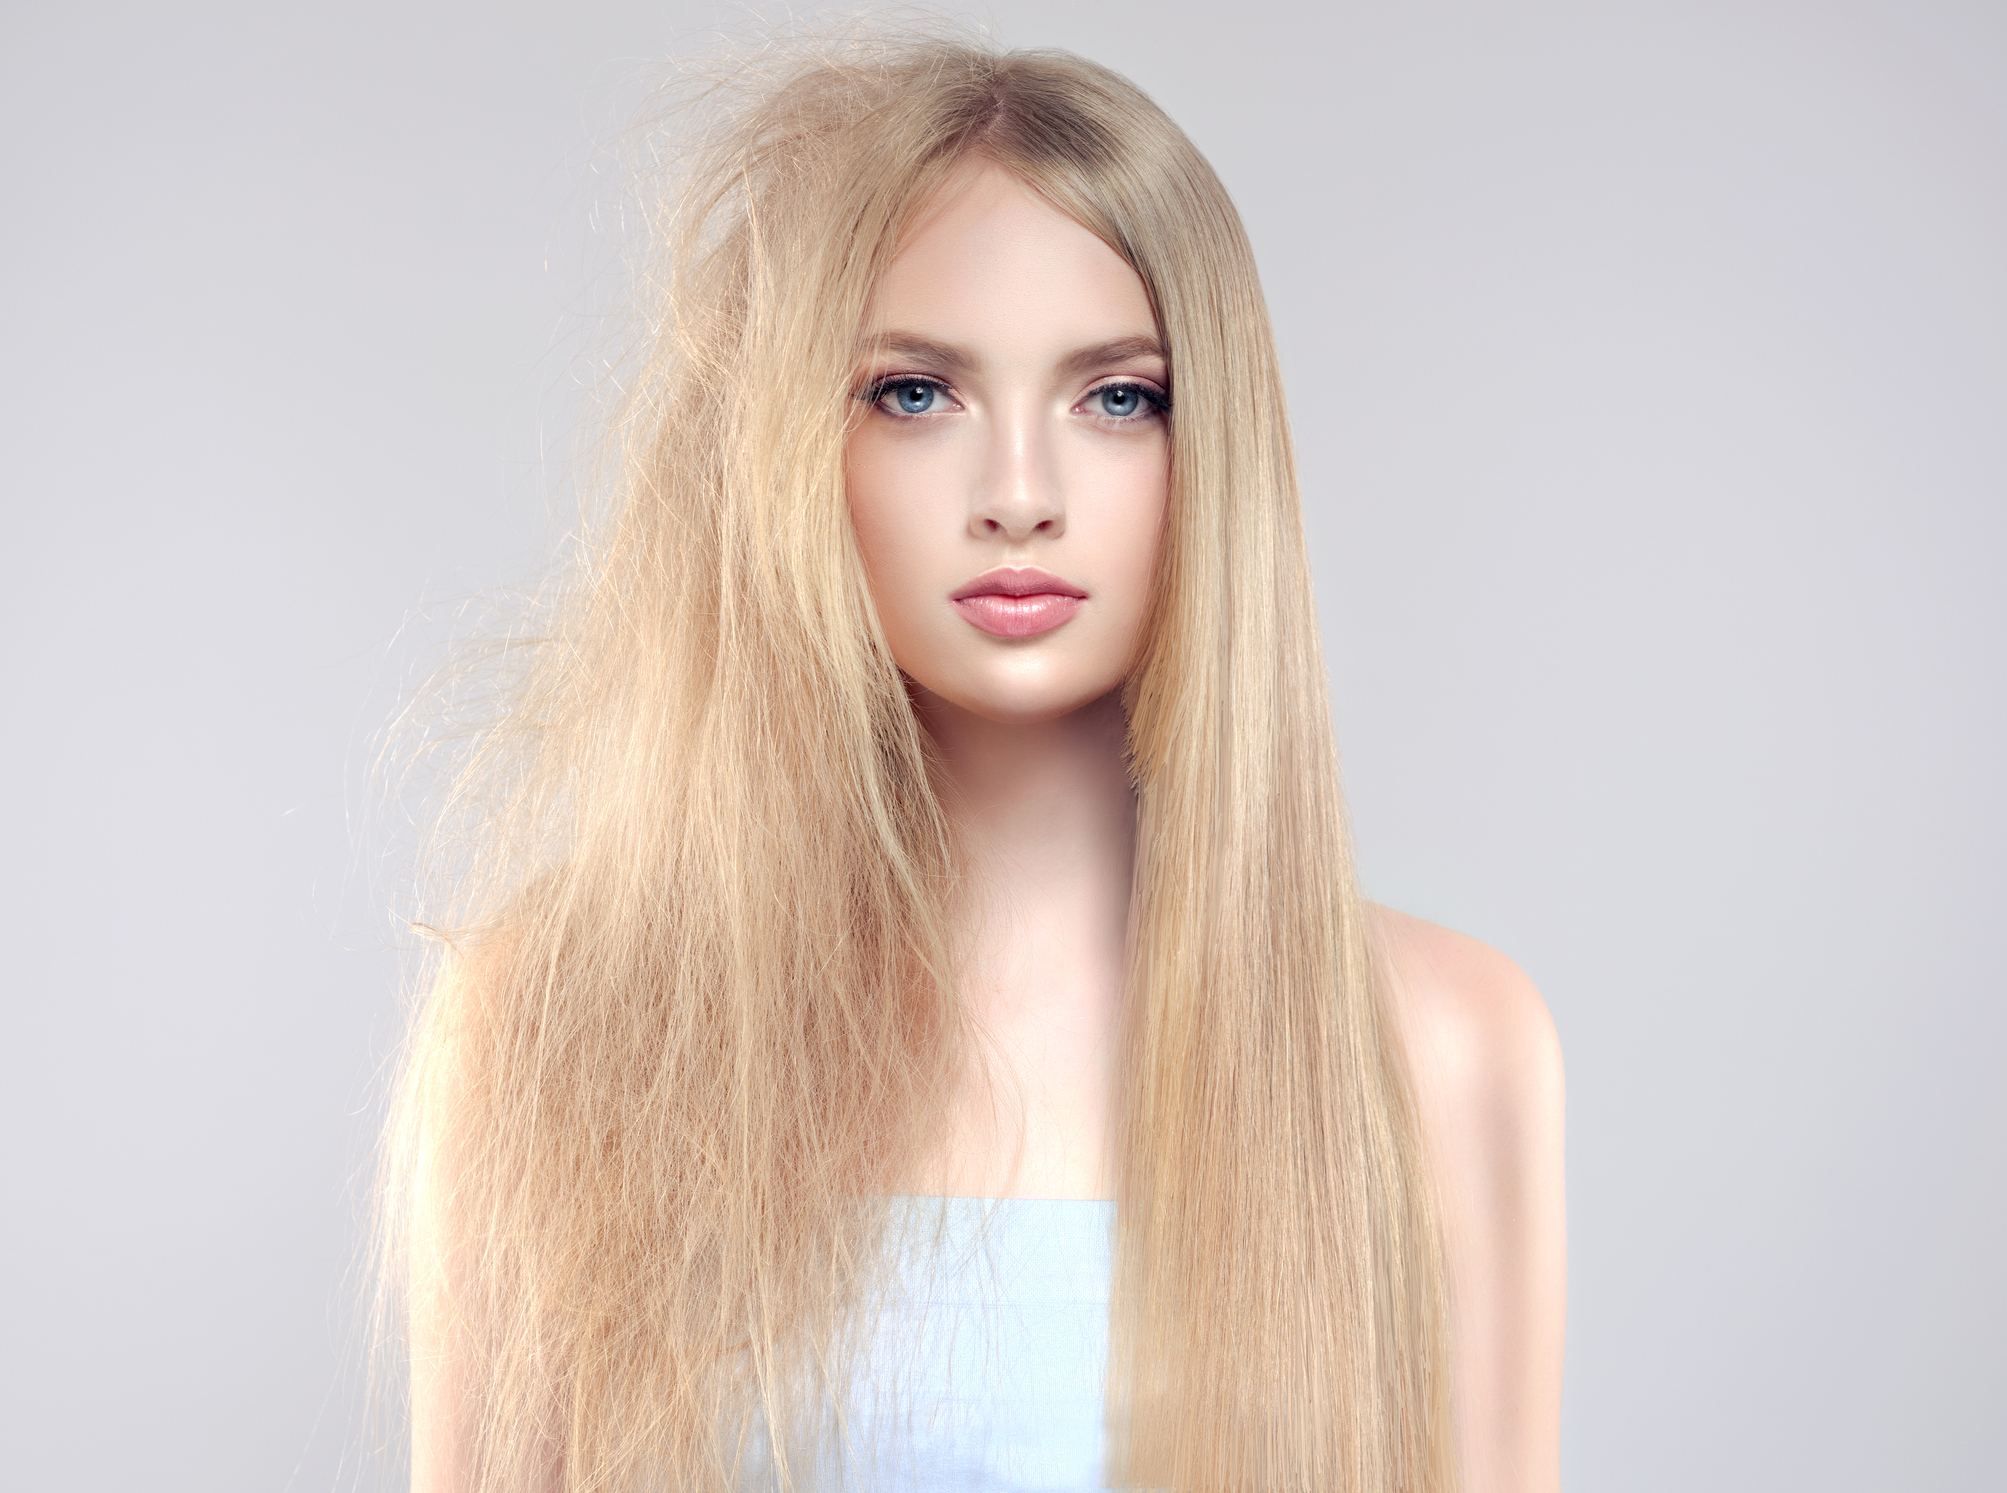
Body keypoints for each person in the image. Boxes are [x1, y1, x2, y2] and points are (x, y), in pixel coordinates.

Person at [387, 32, 1564, 1493]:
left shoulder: (1440, 1046)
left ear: (1217, 447)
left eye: (1117, 398)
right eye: (915, 393)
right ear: (791, 444)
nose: (1021, 495)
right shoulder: (553, 1036)